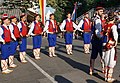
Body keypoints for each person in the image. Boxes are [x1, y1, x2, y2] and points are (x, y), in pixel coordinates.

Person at [102, 12, 118, 82]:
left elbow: (102, 34)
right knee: (111, 61)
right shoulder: (113, 26)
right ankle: (109, 77)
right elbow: (115, 36)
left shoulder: (105, 25)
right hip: (110, 44)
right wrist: (115, 42)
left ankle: (105, 77)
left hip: (104, 44)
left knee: (106, 59)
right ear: (114, 19)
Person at [89, 7, 104, 75]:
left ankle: (91, 70)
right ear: (97, 11)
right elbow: (97, 31)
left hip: (94, 39)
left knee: (93, 55)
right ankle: (104, 69)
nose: (102, 13)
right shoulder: (97, 20)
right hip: (98, 39)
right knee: (102, 55)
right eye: (101, 11)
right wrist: (102, 37)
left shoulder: (94, 18)